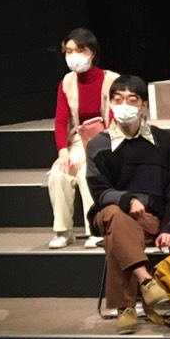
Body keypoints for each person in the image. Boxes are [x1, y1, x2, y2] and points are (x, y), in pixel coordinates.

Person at [86, 75, 170, 335]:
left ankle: (126, 309)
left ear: (143, 105)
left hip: (148, 220)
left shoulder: (163, 141)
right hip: (107, 213)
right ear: (110, 103)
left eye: (132, 100)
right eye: (118, 99)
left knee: (117, 236)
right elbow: (99, 191)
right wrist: (127, 200)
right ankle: (145, 280)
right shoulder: (98, 144)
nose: (124, 105)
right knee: (114, 214)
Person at [47, 27, 118, 250]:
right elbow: (61, 120)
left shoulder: (111, 80)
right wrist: (63, 151)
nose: (72, 56)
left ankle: (95, 230)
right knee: (59, 172)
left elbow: (115, 122)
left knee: (86, 170)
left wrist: (89, 154)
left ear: (91, 52)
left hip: (107, 139)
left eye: (78, 50)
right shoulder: (67, 82)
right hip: (79, 138)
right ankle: (63, 231)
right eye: (68, 52)